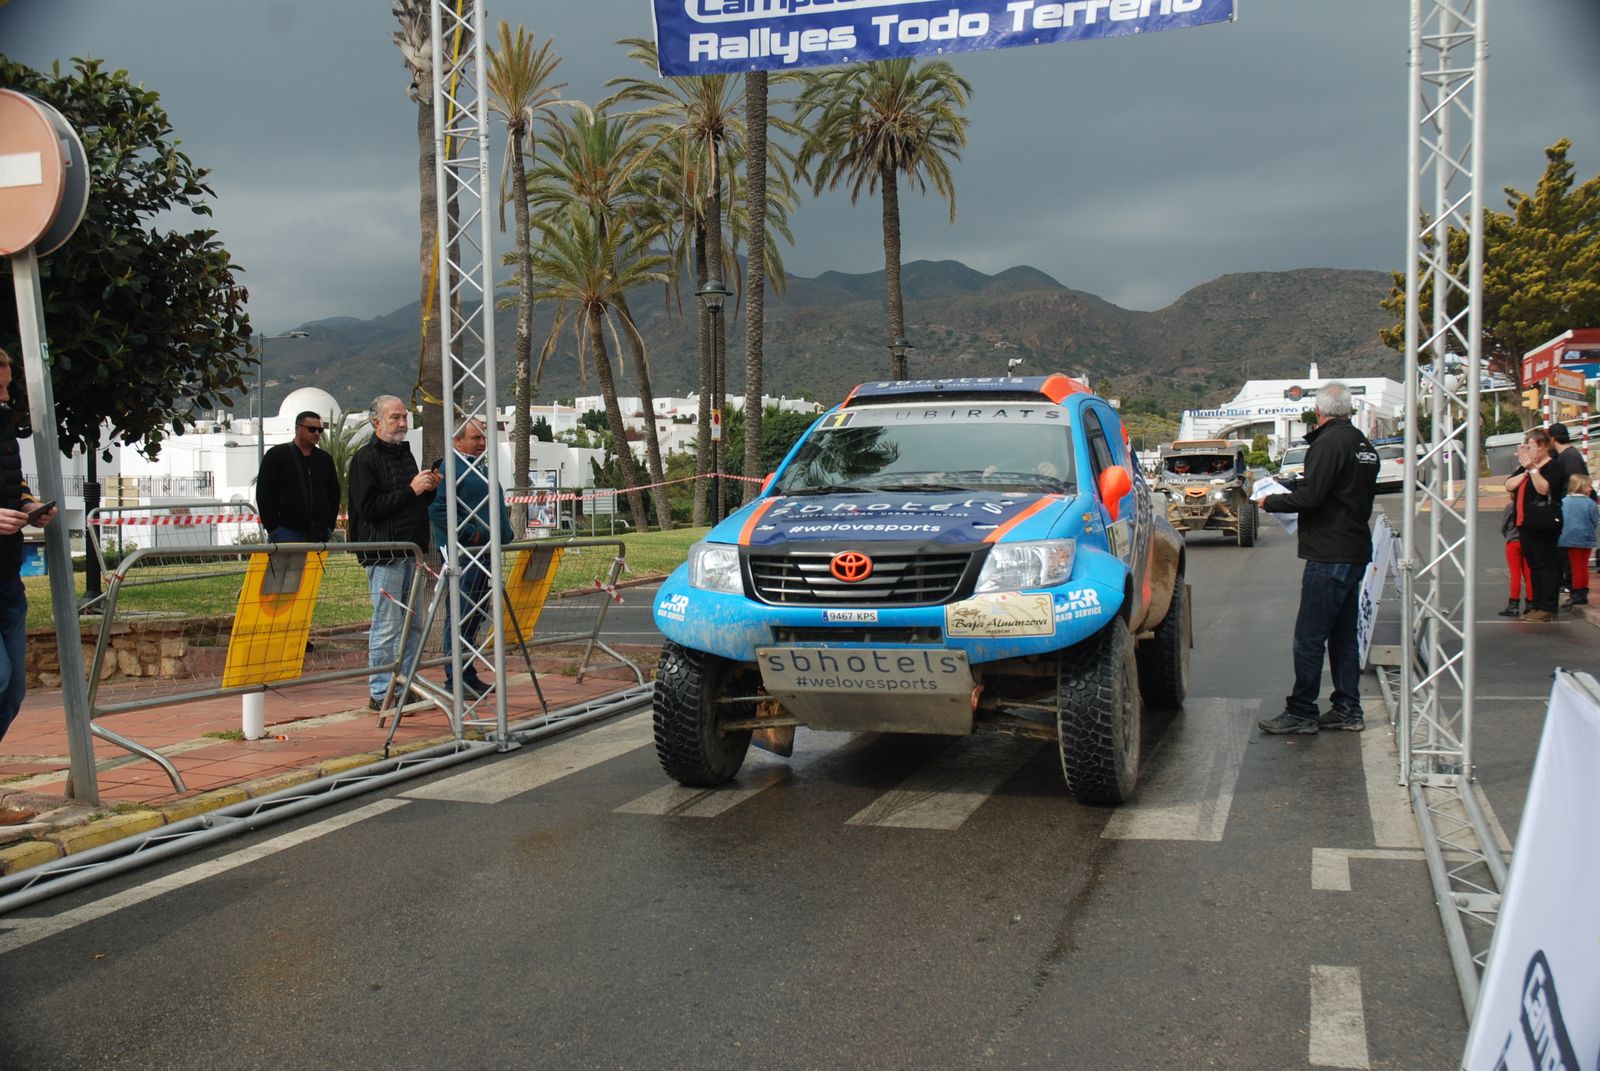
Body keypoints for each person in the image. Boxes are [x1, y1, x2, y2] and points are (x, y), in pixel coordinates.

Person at [1252, 382, 1379, 734]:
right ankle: (1347, 708)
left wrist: (1270, 501)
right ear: (1348, 410)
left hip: (1330, 553)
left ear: (1319, 412)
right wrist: (1292, 487)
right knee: (1342, 636)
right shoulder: (1362, 445)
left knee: (1309, 637)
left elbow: (1313, 497)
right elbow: (1333, 490)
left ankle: (1302, 711)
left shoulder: (1328, 444)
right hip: (1353, 549)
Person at [347, 395, 439, 711]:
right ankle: (381, 691)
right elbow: (369, 509)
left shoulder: (405, 454)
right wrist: (410, 490)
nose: (402, 423)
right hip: (383, 554)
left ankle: (406, 683)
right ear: (376, 422)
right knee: (387, 625)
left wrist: (428, 488)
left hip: (411, 550)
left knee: (412, 623)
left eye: (405, 417)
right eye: (395, 417)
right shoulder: (365, 459)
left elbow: (410, 501)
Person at [0, 348, 58, 824]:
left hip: (7, 576)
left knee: (14, 690)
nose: (4, 397)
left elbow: (13, 486)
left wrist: (32, 503)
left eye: (6, 387)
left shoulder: (3, 431)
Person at [428, 418, 512, 697]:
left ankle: (467, 672)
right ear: (457, 441)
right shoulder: (450, 468)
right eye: (475, 437)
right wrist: (472, 534)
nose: (481, 442)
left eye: (483, 438)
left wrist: (503, 533)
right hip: (466, 555)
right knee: (462, 616)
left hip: (486, 553)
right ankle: (456, 678)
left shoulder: (480, 467)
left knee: (475, 616)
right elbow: (439, 510)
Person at [255, 410, 340, 542]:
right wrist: (272, 527)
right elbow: (263, 492)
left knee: (315, 564)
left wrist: (329, 525)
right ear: (298, 429)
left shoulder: (325, 459)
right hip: (285, 531)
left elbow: (334, 493)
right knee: (284, 564)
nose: (317, 433)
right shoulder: (276, 455)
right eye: (312, 429)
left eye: (320, 430)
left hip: (319, 532)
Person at [1504, 429, 1562, 622]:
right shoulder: (1527, 469)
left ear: (1543, 447)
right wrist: (1527, 470)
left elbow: (1544, 489)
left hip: (1544, 522)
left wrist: (1533, 470)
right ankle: (1536, 604)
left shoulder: (1554, 467)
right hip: (1525, 523)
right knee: (1534, 565)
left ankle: (1548, 606)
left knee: (1546, 564)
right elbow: (1509, 485)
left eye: (1531, 447)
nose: (1528, 451)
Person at [1545, 423, 1590, 594]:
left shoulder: (1569, 457)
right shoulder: (1563, 456)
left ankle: (1572, 583)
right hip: (1565, 507)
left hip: (1571, 512)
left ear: (1553, 438)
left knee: (1570, 550)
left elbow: (1577, 484)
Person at [1558, 473, 1598, 608]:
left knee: (1575, 566)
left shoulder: (1564, 502)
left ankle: (1575, 593)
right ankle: (1583, 593)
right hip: (1586, 536)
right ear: (1581, 487)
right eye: (1588, 486)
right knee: (1583, 566)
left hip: (1569, 537)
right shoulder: (1590, 503)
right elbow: (1594, 520)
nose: (1591, 489)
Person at [1497, 502, 1533, 618]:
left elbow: (1504, 524)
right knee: (1529, 574)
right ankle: (1530, 603)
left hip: (1513, 541)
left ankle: (1514, 605)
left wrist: (1508, 534)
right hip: (1528, 541)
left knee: (1515, 575)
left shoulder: (1511, 506)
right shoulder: (1531, 505)